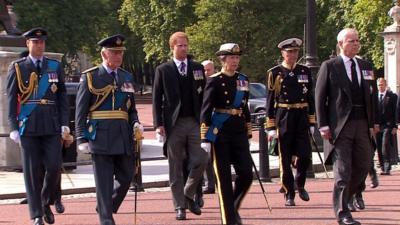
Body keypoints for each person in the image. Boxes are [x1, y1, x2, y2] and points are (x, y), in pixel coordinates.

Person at [75, 34, 143, 225]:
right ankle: (106, 218)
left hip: (123, 134)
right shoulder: (90, 76)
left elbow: (131, 108)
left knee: (127, 176)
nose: (118, 56)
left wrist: (135, 122)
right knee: (104, 181)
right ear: (104, 54)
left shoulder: (126, 76)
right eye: (114, 52)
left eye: (120, 52)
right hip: (100, 134)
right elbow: (80, 111)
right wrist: (81, 137)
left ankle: (106, 204)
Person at [7, 27, 70, 225]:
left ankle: (45, 202)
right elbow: (10, 99)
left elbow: (61, 97)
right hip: (29, 125)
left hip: (51, 125)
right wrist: (13, 127)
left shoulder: (54, 66)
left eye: (42, 42)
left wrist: (63, 124)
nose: (40, 45)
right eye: (35, 42)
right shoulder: (18, 67)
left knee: (53, 167)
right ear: (28, 44)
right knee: (32, 172)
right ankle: (36, 215)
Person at [315, 28, 378, 225]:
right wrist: (323, 124)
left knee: (364, 164)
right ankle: (342, 213)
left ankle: (347, 196)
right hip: (340, 126)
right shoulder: (330, 65)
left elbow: (373, 96)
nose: (356, 44)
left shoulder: (366, 66)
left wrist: (374, 122)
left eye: (357, 40)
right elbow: (319, 96)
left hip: (362, 123)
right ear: (341, 43)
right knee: (342, 170)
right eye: (351, 41)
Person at [152, 31, 208, 220]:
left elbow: (204, 97)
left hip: (194, 121)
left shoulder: (197, 67)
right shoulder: (163, 69)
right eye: (180, 46)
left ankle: (187, 194)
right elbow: (156, 98)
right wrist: (158, 124)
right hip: (173, 123)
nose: (184, 49)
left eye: (186, 45)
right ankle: (179, 207)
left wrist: (206, 119)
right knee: (175, 166)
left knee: (201, 158)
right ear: (172, 47)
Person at [200, 43, 253, 225]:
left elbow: (244, 106)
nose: (235, 61)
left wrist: (248, 128)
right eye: (231, 57)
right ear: (222, 59)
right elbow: (206, 109)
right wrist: (205, 136)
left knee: (246, 174)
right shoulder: (214, 80)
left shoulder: (243, 79)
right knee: (223, 180)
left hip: (238, 130)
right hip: (220, 132)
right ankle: (228, 220)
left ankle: (233, 206)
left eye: (237, 58)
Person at [265, 38, 314, 207]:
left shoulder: (305, 71)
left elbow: (310, 97)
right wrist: (270, 126)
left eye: (295, 52)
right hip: (284, 115)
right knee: (285, 158)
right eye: (289, 52)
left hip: (301, 115)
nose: (292, 54)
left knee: (305, 155)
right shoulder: (275, 72)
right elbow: (269, 101)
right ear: (282, 53)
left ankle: (299, 184)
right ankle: (288, 192)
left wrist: (312, 121)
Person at [200, 59, 216, 194]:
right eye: (204, 70)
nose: (206, 72)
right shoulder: (199, 85)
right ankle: (209, 183)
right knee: (206, 155)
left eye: (208, 70)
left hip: (218, 123)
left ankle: (214, 182)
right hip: (205, 124)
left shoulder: (217, 82)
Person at [376, 77, 397, 175]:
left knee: (385, 144)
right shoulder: (374, 97)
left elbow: (396, 112)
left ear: (385, 85)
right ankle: (382, 166)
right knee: (379, 145)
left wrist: (395, 126)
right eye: (379, 85)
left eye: (382, 85)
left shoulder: (392, 96)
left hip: (388, 125)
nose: (380, 87)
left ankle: (387, 167)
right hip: (377, 125)